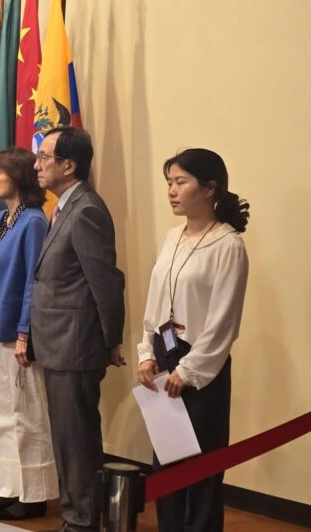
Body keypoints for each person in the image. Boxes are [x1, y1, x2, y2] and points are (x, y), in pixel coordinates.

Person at [137, 149, 249, 532]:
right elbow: (156, 300)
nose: (172, 190)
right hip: (164, 354)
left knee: (200, 468)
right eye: (169, 182)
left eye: (181, 181)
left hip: (201, 365)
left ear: (210, 188)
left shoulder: (228, 245)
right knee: (166, 462)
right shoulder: (173, 237)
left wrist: (188, 369)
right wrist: (145, 352)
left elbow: (223, 322)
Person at [31, 126, 125, 532]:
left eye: (45, 157)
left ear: (69, 166)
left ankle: (82, 521)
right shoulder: (65, 206)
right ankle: (78, 515)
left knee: (77, 441)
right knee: (68, 439)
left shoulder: (86, 209)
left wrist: (111, 341)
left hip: (75, 345)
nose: (36, 165)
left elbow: (106, 282)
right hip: (58, 342)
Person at [0, 149, 58, 520]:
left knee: (27, 415)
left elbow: (33, 283)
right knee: (2, 415)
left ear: (18, 178)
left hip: (16, 334)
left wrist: (25, 332)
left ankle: (34, 494)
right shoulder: (1, 220)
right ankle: (9, 488)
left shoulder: (34, 222)